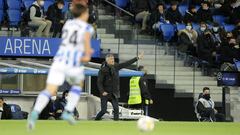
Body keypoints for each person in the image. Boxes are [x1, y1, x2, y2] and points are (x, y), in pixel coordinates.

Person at [27, 4, 94, 130]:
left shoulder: (68, 24)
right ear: (84, 15)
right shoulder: (87, 29)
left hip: (59, 59)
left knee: (50, 89)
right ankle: (68, 112)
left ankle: (34, 113)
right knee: (78, 86)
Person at [95, 53, 144, 121]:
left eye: (113, 59)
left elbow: (126, 64)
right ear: (107, 60)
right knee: (103, 110)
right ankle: (96, 120)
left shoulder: (116, 66)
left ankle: (116, 124)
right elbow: (99, 82)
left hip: (114, 93)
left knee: (116, 109)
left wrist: (137, 58)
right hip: (105, 93)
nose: (113, 60)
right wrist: (102, 91)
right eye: (111, 59)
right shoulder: (102, 70)